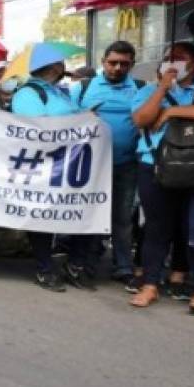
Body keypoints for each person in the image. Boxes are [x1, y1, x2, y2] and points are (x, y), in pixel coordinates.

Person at [130, 42, 194, 315]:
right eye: (169, 57)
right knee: (156, 229)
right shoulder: (147, 91)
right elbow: (142, 119)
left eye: (181, 58)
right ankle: (150, 284)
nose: (173, 62)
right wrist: (163, 90)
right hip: (155, 166)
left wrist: (171, 111)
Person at [11, 46, 95, 292]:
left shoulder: (59, 93)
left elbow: (73, 118)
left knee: (81, 211)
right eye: (61, 63)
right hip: (44, 164)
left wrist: (85, 116)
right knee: (44, 216)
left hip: (71, 163)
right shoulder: (27, 93)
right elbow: (37, 126)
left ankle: (75, 264)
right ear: (54, 67)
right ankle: (44, 268)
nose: (64, 67)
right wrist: (78, 121)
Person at [71, 41, 143, 286]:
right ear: (103, 62)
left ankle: (123, 266)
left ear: (132, 65)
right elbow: (64, 121)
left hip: (127, 164)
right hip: (90, 166)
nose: (118, 68)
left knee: (123, 218)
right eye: (113, 62)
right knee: (91, 214)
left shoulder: (140, 88)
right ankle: (86, 264)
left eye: (124, 64)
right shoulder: (82, 88)